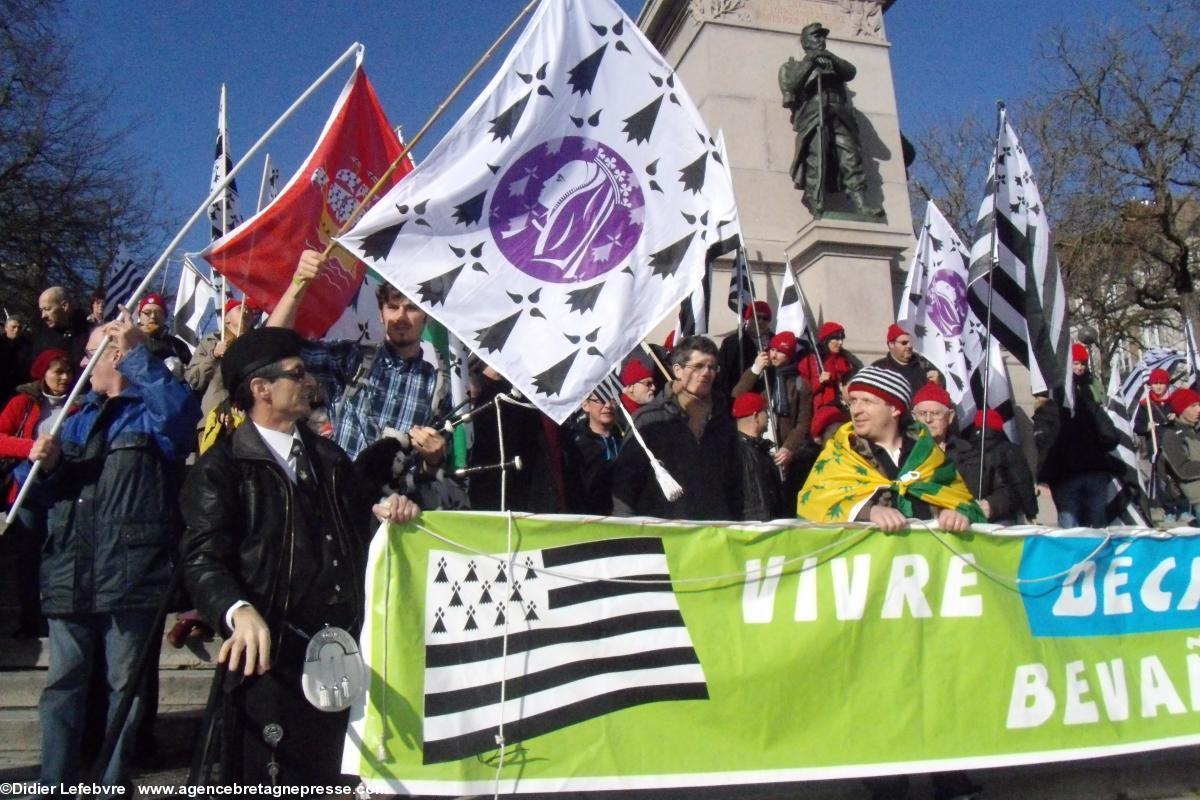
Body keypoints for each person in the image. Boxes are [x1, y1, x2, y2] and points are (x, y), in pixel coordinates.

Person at [179, 326, 420, 787]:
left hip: (346, 655)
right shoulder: (223, 469)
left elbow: (362, 528)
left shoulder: (330, 460)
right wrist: (238, 609)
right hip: (273, 662)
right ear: (261, 389)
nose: (309, 381)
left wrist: (392, 514)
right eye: (296, 373)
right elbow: (202, 556)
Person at [30, 313, 199, 791]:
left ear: (116, 357)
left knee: (124, 691)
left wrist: (139, 354)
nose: (82, 364)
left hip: (129, 576)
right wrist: (44, 466)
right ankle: (54, 781)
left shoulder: (150, 414)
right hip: (69, 570)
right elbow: (35, 495)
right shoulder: (69, 420)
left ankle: (111, 781)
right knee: (62, 688)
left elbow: (182, 418)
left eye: (91, 354)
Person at [270, 250, 447, 469]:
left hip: (400, 501)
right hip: (340, 496)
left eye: (412, 308)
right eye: (393, 307)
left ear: (426, 317)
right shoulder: (350, 358)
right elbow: (274, 348)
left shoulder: (439, 386)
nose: (401, 317)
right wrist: (298, 284)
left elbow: (441, 468)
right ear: (381, 315)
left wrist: (435, 458)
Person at [797, 366, 983, 530]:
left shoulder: (928, 455)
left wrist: (955, 514)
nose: (856, 410)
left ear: (895, 408)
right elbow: (812, 505)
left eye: (867, 401)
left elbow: (965, 504)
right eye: (853, 401)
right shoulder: (841, 455)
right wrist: (866, 511)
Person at [612, 335, 740, 519]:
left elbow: (736, 484)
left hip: (714, 533)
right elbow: (625, 487)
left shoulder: (722, 419)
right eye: (698, 366)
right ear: (678, 370)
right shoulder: (649, 420)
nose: (706, 373)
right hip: (665, 533)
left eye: (712, 367)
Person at [0, 349, 77, 637]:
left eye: (68, 372)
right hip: (26, 491)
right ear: (43, 373)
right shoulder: (23, 403)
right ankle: (30, 617)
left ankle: (58, 613)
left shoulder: (77, 406)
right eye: (58, 372)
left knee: (59, 554)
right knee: (28, 555)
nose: (65, 377)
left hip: (62, 490)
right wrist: (30, 450)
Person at [777, 22, 880, 218]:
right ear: (806, 42)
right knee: (817, 157)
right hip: (814, 115)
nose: (822, 40)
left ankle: (860, 202)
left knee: (851, 158)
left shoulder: (832, 62)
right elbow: (791, 84)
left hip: (840, 115)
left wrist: (829, 57)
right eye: (817, 37)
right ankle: (816, 201)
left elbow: (850, 72)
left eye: (823, 37)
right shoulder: (793, 66)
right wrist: (811, 61)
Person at [1039, 347, 1120, 528]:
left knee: (1071, 532)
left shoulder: (1053, 403)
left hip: (1066, 474)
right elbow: (1110, 435)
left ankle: (1079, 557)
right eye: (1076, 363)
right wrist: (1095, 450)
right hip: (1091, 471)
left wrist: (1043, 476)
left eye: (1083, 363)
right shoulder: (1088, 398)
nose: (1080, 368)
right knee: (1097, 527)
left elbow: (1045, 442)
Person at [731, 330, 813, 479]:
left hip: (782, 447)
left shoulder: (801, 384)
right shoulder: (763, 376)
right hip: (759, 441)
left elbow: (802, 423)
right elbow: (737, 395)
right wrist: (755, 369)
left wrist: (789, 448)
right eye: (772, 349)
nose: (774, 355)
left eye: (780, 352)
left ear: (789, 355)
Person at [185, 298, 264, 424]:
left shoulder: (259, 345)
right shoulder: (210, 342)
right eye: (240, 308)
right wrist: (213, 356)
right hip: (214, 422)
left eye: (249, 310)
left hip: (252, 422)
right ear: (226, 318)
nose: (246, 311)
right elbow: (193, 380)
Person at [562, 391, 622, 515]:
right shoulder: (577, 445)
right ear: (585, 405)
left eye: (613, 400)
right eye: (600, 400)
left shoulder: (625, 438)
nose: (608, 405)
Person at [731, 392, 786, 521]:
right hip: (756, 528)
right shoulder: (741, 452)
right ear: (756, 416)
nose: (768, 417)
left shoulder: (758, 449)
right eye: (765, 412)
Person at [797, 321, 861, 415]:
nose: (840, 342)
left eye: (842, 339)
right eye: (836, 339)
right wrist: (819, 382)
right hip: (819, 411)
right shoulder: (812, 361)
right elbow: (802, 391)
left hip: (844, 408)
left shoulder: (847, 360)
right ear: (826, 340)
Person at [1159, 388, 1200, 520]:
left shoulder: (1196, 430)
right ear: (1181, 409)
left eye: (1199, 405)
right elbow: (1183, 469)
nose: (1199, 410)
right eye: (1193, 406)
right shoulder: (1171, 435)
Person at [718, 300, 774, 393]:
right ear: (747, 318)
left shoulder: (775, 342)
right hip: (740, 394)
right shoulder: (732, 342)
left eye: (765, 318)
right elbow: (723, 374)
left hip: (768, 394)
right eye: (756, 317)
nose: (760, 321)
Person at [32, 286, 90, 371]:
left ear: (64, 306)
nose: (43, 316)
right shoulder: (42, 338)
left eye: (47, 309)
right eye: (41, 310)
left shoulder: (90, 333)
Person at [871, 323, 937, 398]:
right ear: (891, 344)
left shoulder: (925, 365)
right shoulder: (878, 368)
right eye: (904, 343)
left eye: (911, 342)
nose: (909, 346)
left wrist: (937, 385)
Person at [136, 292, 193, 374]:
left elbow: (193, 376)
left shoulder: (178, 345)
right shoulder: (129, 340)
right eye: (147, 313)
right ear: (140, 316)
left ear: (165, 317)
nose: (153, 316)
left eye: (158, 312)